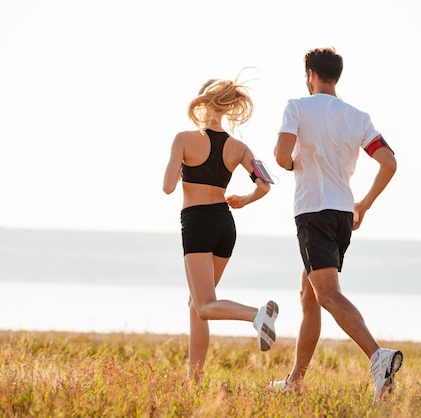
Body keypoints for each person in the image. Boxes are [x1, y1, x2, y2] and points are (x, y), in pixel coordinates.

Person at [272, 47, 402, 403]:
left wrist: (293, 163)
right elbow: (388, 163)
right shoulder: (357, 116)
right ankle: (295, 379)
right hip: (344, 213)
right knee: (309, 295)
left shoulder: (297, 107)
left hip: (313, 211)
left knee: (326, 294)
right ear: (336, 77)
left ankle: (379, 358)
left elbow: (282, 156)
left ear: (310, 75)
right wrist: (364, 204)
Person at [163, 73, 279, 384]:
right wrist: (244, 198)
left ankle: (257, 314)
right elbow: (266, 186)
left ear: (203, 102)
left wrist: (180, 171)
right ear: (228, 106)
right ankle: (194, 380)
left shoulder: (184, 139)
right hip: (225, 224)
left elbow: (167, 188)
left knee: (204, 305)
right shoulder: (239, 147)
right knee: (196, 304)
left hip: (197, 223)